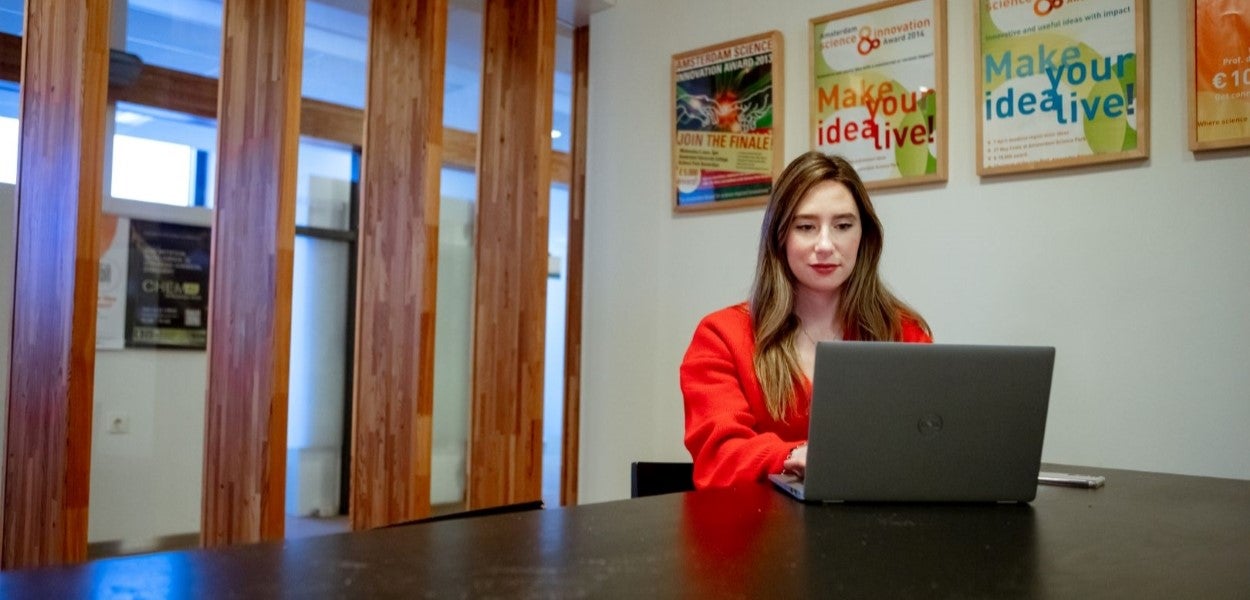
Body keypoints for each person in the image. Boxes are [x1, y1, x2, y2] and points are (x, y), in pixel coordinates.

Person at [680, 151, 932, 490]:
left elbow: (926, 447)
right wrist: (794, 456)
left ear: (864, 236)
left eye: (843, 226)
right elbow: (720, 459)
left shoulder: (904, 333)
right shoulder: (720, 336)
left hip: (878, 533)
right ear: (780, 237)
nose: (825, 245)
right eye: (806, 227)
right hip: (762, 536)